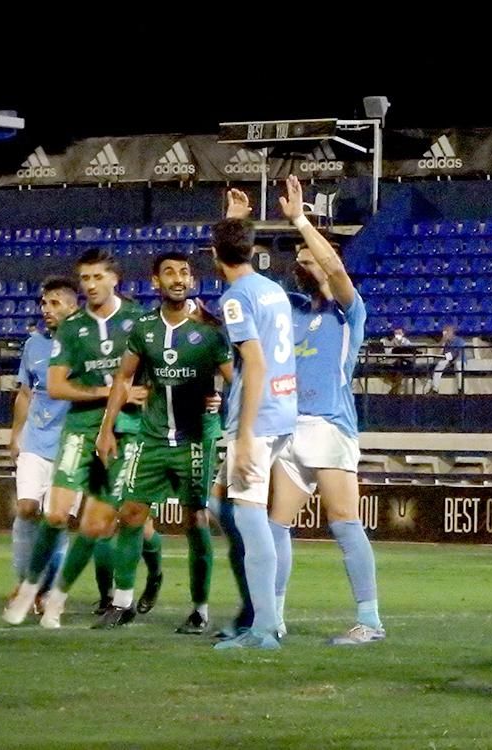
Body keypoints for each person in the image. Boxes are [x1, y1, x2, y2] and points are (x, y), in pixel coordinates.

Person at [3, 247, 148, 628]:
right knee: (54, 514)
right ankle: (30, 589)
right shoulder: (71, 328)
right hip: (79, 430)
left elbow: (155, 371)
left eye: (98, 277)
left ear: (115, 278)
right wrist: (110, 392)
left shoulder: (138, 320)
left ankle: (66, 597)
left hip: (126, 431)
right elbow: (56, 386)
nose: (91, 285)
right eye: (85, 278)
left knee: (102, 524)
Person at [268, 175, 385, 645]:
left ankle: (370, 620)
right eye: (297, 257)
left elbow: (335, 268)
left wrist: (300, 220)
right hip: (288, 427)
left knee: (342, 520)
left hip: (331, 427)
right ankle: (271, 617)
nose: (304, 261)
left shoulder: (348, 311)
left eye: (309, 254)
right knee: (276, 523)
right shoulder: (291, 310)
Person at [95, 252, 232, 632]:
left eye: (184, 272)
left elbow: (237, 376)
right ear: (155, 281)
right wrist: (107, 429)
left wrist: (224, 401)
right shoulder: (143, 329)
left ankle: (200, 609)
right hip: (151, 436)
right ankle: (122, 602)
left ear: (192, 280)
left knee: (196, 520)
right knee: (131, 514)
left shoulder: (209, 329)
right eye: (169, 272)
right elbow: (123, 378)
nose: (177, 278)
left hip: (195, 438)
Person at [211, 188, 297, 650]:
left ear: (214, 254)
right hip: (284, 412)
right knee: (233, 508)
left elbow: (256, 363)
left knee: (249, 518)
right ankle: (265, 616)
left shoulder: (236, 298)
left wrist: (243, 436)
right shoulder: (272, 289)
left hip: (258, 418)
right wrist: (234, 219)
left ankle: (264, 627)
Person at [7, 277, 79, 609]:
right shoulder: (33, 345)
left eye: (54, 303)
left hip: (71, 443)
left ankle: (48, 590)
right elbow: (24, 393)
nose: (46, 310)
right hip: (35, 440)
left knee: (57, 518)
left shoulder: (84, 344)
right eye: (43, 303)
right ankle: (25, 585)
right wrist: (15, 434)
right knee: (26, 509)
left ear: (72, 306)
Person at [428, 323, 465, 394]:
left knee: (458, 366)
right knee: (440, 365)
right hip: (448, 359)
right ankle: (435, 389)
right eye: (445, 331)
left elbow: (456, 352)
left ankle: (460, 389)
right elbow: (440, 352)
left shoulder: (460, 341)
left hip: (459, 358)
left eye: (447, 331)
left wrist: (447, 356)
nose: (445, 332)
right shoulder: (446, 341)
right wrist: (443, 341)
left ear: (452, 332)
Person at [379, 327, 413, 395]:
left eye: (399, 333)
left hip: (405, 363)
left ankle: (393, 389)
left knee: (400, 368)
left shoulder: (407, 342)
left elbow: (411, 353)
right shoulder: (392, 342)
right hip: (393, 363)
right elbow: (388, 353)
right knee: (383, 369)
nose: (397, 335)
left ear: (403, 334)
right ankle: (395, 386)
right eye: (396, 333)